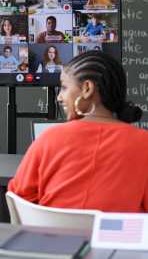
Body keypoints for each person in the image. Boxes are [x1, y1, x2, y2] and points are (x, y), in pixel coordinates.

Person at [9, 51, 148, 212]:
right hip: (114, 237)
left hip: (53, 236)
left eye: (64, 87)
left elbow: (19, 201)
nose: (59, 97)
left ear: (87, 89)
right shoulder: (143, 143)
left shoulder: (49, 139)